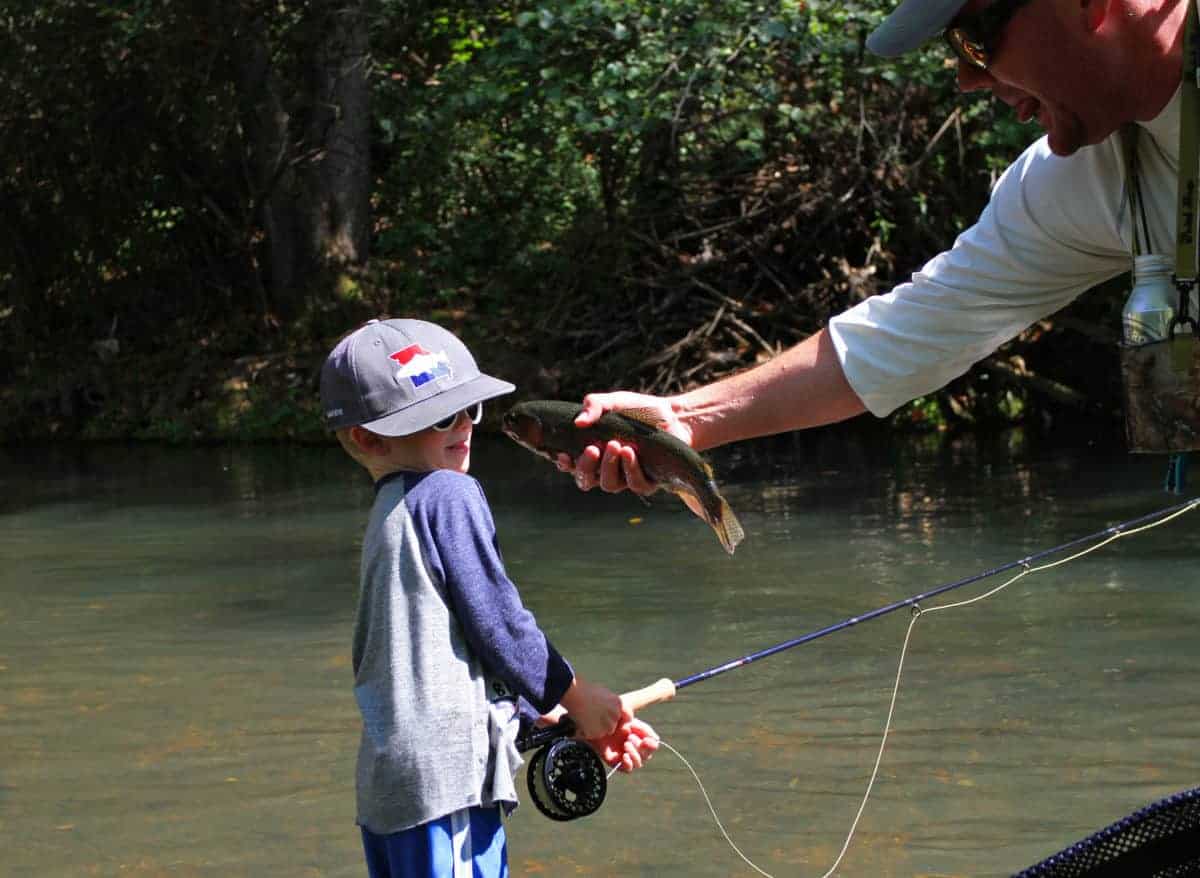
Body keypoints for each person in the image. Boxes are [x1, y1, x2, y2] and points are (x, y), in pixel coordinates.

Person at [563, 0, 1197, 492]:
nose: (970, 79)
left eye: (976, 38)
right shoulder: (1087, 180)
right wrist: (685, 420)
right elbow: (914, 331)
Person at [320, 318, 659, 877]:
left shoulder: (390, 515)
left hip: (392, 791)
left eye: (469, 409)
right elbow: (500, 622)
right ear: (369, 438)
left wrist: (542, 714)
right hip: (444, 792)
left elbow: (454, 655)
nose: (463, 426)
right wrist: (572, 693)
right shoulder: (449, 493)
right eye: (439, 417)